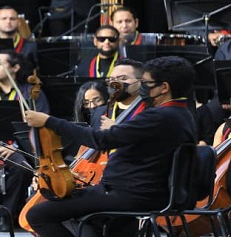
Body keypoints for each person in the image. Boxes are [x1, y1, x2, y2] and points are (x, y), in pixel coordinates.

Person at [25, 56, 197, 237]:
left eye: (146, 83)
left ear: (164, 87)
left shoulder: (159, 116)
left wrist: (50, 121)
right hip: (144, 191)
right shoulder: (182, 113)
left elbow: (101, 140)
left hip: (131, 194)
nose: (143, 87)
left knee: (38, 214)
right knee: (94, 218)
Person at [93, 58, 146, 129]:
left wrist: (115, 130)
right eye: (111, 79)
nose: (115, 84)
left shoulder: (151, 112)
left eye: (122, 79)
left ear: (141, 81)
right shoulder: (99, 113)